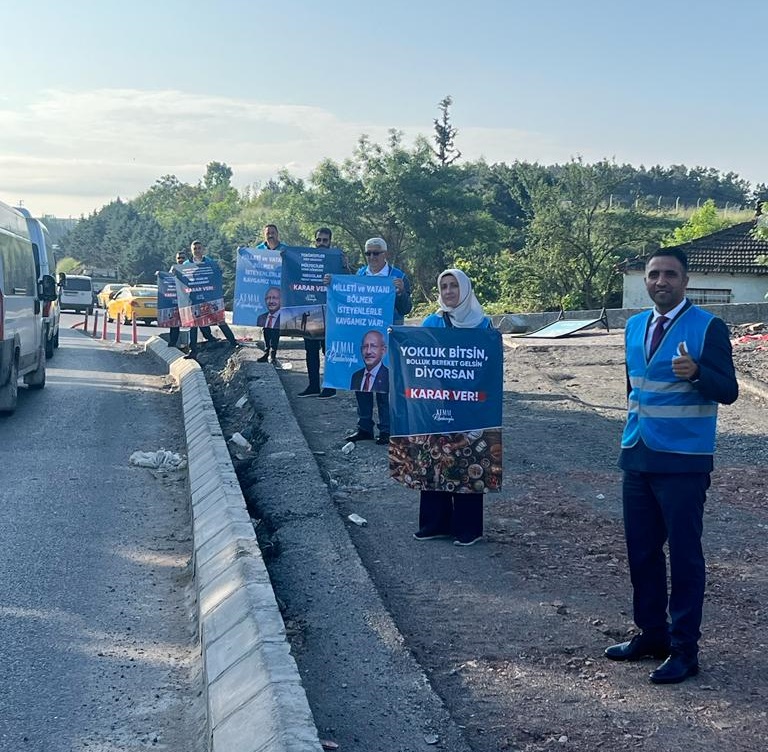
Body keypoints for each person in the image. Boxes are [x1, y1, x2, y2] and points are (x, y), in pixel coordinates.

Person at [604, 248, 738, 685]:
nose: (661, 281)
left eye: (670, 275)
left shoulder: (708, 327)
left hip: (684, 460)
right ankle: (652, 635)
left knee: (684, 558)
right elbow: (634, 388)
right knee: (641, 554)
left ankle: (684, 650)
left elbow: (729, 391)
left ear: (685, 280)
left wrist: (698, 372)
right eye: (654, 274)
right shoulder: (634, 325)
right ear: (646, 280)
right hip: (638, 453)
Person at [413, 268, 493, 547]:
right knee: (435, 460)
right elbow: (415, 358)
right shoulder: (431, 322)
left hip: (471, 407)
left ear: (465, 290)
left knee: (468, 460)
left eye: (454, 286)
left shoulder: (483, 325)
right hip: (436, 406)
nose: (448, 292)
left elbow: (490, 366)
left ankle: (467, 528)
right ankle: (435, 524)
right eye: (444, 286)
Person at [345, 237, 412, 445]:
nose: (372, 257)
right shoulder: (360, 275)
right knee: (362, 384)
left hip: (389, 340)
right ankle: (364, 426)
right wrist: (332, 286)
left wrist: (400, 293)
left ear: (385, 254)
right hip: (364, 337)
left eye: (376, 253)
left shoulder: (398, 276)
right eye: (368, 254)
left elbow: (406, 309)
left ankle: (386, 429)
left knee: (385, 385)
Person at [298, 227, 343, 399]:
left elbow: (348, 280)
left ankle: (330, 387)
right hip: (310, 312)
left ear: (330, 241)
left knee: (328, 352)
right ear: (314, 241)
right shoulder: (305, 258)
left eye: (325, 240)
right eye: (319, 240)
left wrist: (344, 267)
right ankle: (313, 385)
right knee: (310, 351)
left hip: (330, 314)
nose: (321, 243)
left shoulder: (338, 259)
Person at [183, 240, 240, 359]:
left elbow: (217, 276)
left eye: (199, 248)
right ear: (191, 250)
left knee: (220, 320)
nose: (197, 250)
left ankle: (234, 343)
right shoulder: (186, 265)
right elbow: (182, 281)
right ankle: (193, 351)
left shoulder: (210, 262)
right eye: (195, 249)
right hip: (194, 299)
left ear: (203, 249)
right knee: (193, 325)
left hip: (210, 298)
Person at [167, 249, 216, 350]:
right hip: (179, 300)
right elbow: (168, 281)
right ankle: (173, 342)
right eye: (178, 258)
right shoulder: (174, 269)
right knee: (176, 321)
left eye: (182, 258)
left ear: (186, 260)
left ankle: (208, 337)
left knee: (200, 319)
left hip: (192, 298)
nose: (180, 260)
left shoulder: (190, 267)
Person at [255, 224, 286, 364]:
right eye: (268, 233)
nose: (270, 235)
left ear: (277, 234)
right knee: (265, 323)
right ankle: (267, 350)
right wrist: (241, 252)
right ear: (264, 235)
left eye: (273, 232)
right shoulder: (259, 250)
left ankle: (274, 352)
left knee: (277, 323)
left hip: (280, 291)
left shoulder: (285, 249)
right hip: (264, 291)